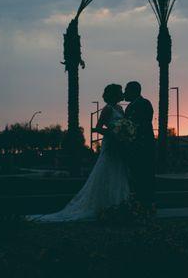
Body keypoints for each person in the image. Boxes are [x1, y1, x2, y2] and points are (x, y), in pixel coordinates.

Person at [35, 84, 130, 221]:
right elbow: (97, 128)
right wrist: (112, 132)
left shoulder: (121, 109)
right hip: (110, 145)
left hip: (119, 146)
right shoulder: (107, 109)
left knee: (118, 172)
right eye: (120, 91)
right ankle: (105, 206)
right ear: (114, 94)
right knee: (108, 171)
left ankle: (118, 205)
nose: (122, 93)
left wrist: (123, 134)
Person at [123, 81, 156, 206]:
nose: (124, 93)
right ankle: (139, 204)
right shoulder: (129, 107)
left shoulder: (145, 103)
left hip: (144, 147)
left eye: (126, 90)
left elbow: (144, 124)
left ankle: (147, 204)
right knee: (136, 177)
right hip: (134, 148)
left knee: (145, 176)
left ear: (134, 91)